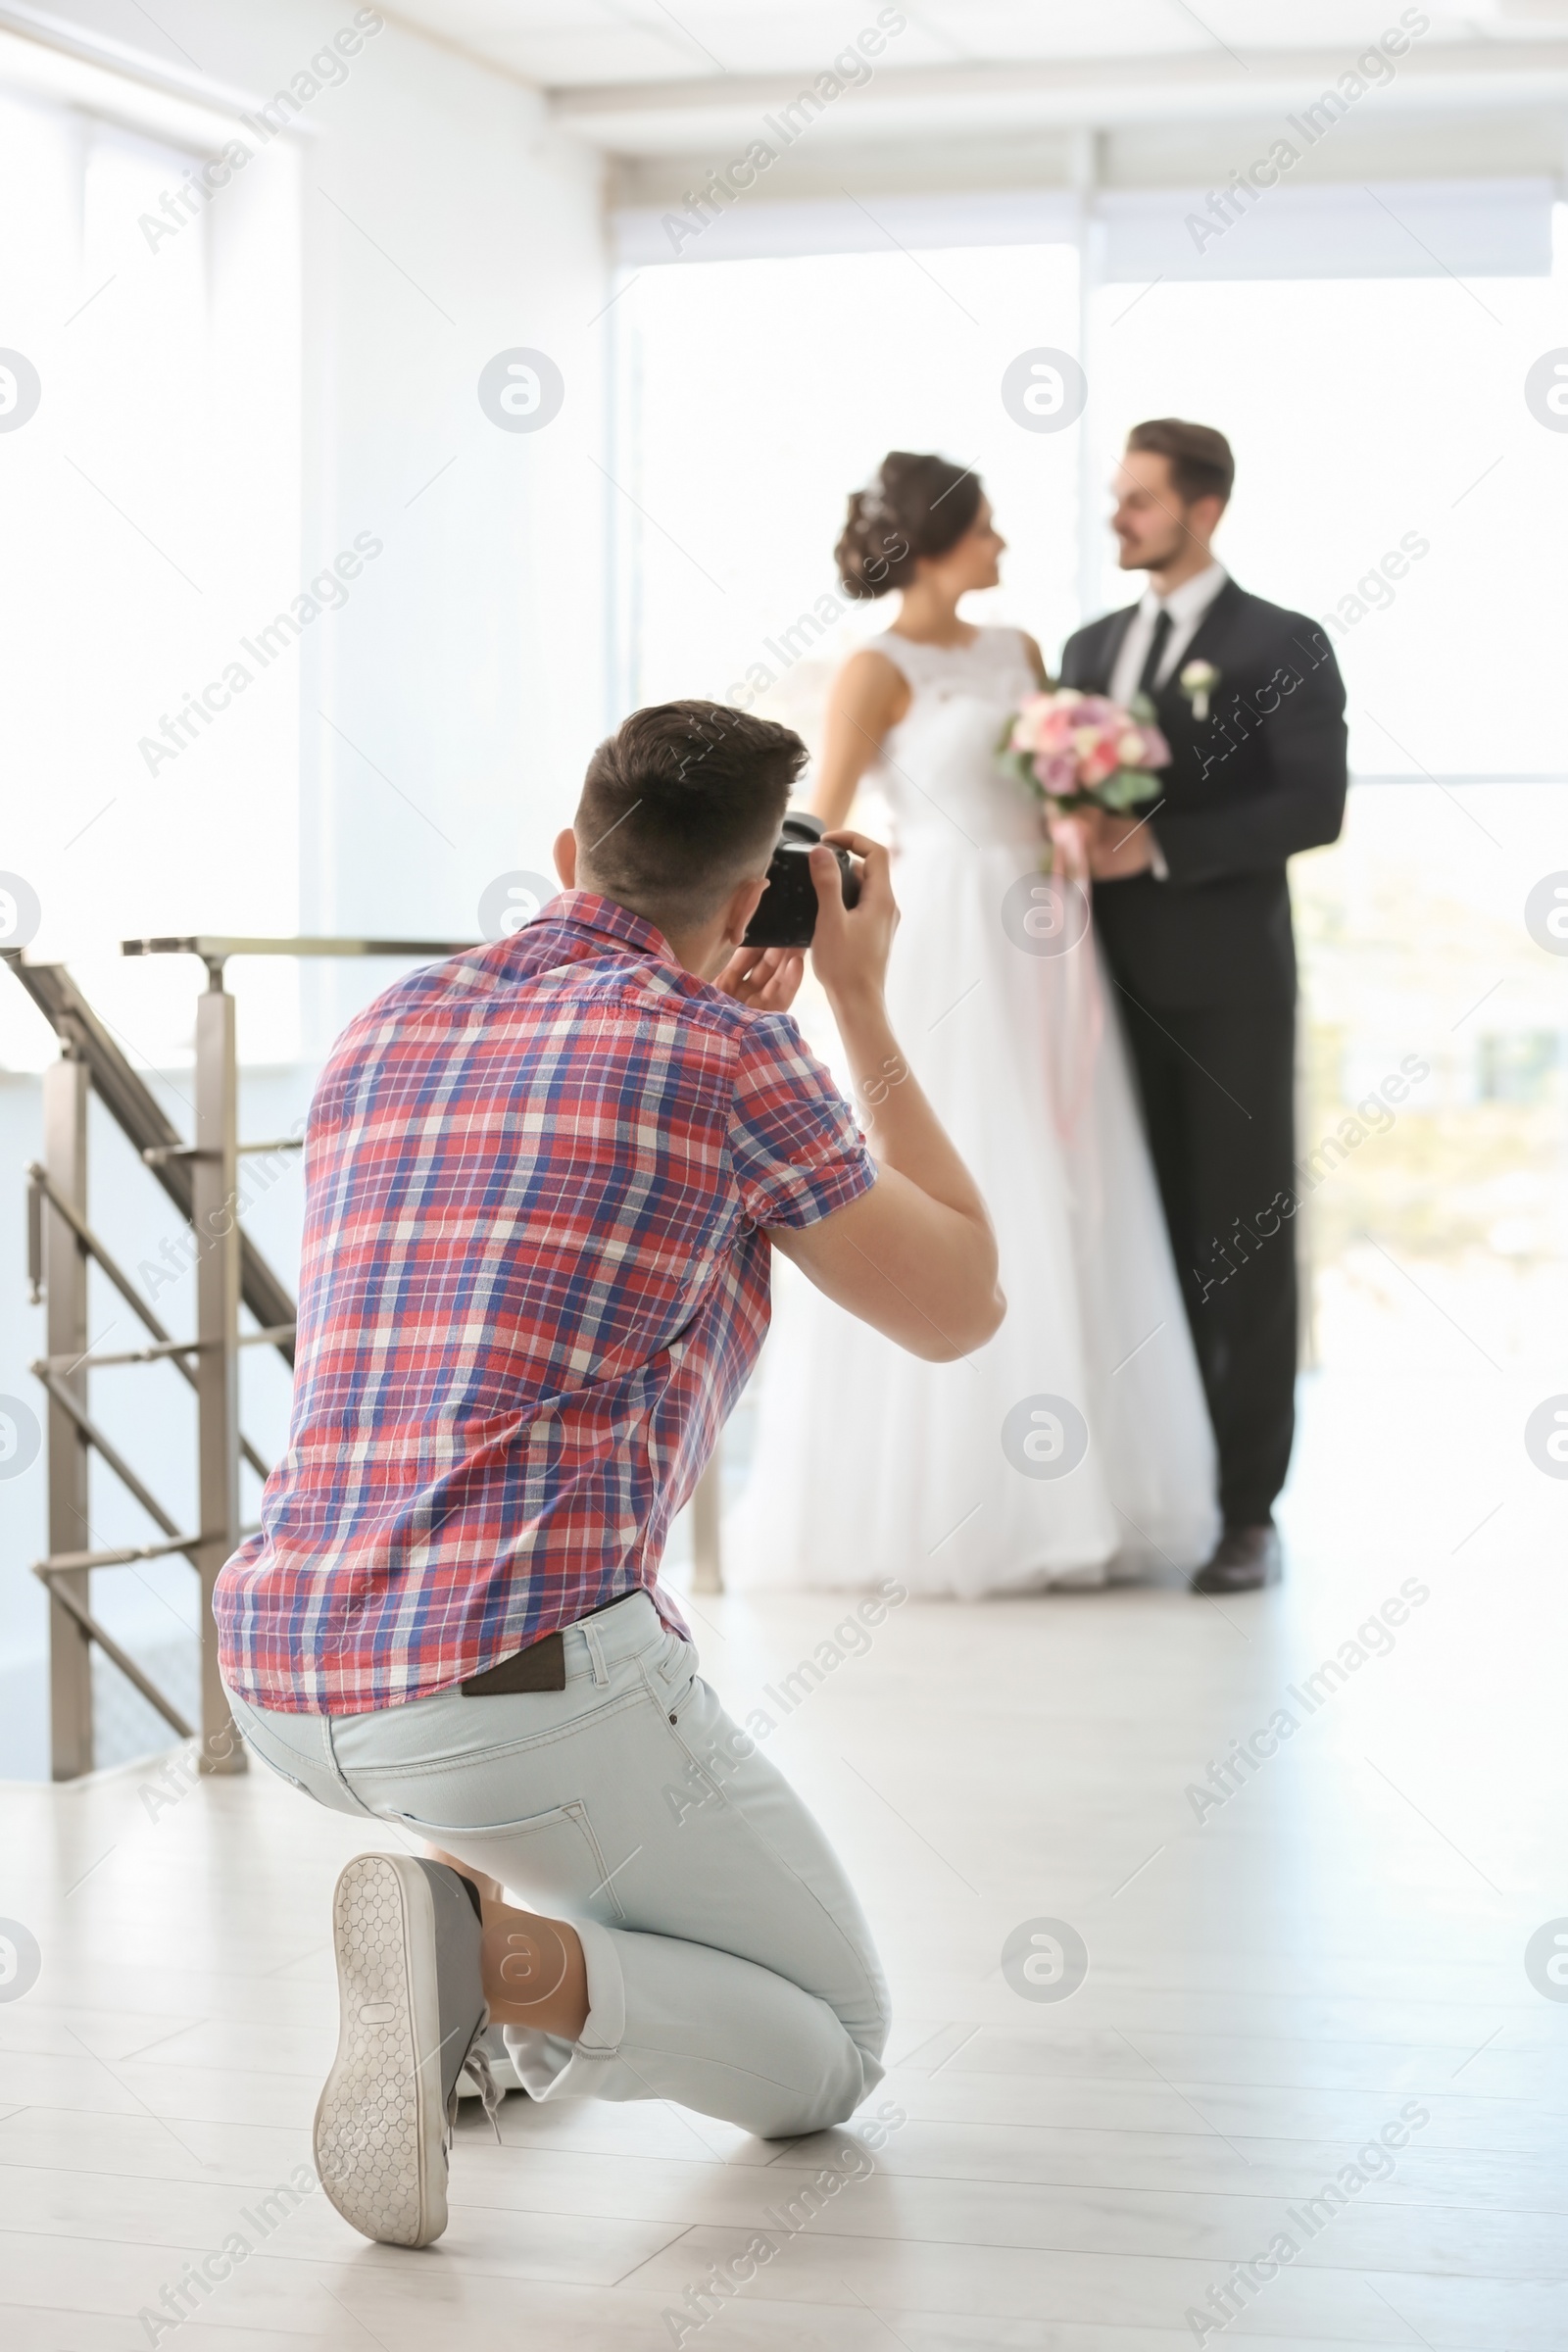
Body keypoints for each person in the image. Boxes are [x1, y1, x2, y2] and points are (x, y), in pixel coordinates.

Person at [214, 700, 1004, 2249]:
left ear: (572, 855)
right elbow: (958, 1304)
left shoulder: (394, 1023)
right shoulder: (731, 1052)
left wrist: (725, 979)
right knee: (829, 2044)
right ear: (754, 901)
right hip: (510, 1694)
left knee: (547, 1762)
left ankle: (477, 1946)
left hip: (282, 1671)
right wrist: (851, 1000)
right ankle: (500, 1967)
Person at [731, 451, 1218, 1597]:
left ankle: (1087, 1494)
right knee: (953, 1167)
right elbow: (828, 817)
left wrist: (1090, 798)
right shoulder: (875, 666)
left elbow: (1057, 793)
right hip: (943, 934)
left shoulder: (1020, 654)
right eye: (988, 529)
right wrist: (777, 931)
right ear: (943, 540)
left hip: (1044, 935)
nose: (1002, 548)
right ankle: (952, 1504)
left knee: (1066, 1172)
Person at [1059, 419, 1348, 1594]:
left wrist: (1154, 851)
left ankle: (1246, 1513)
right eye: (1117, 498)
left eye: (1138, 499)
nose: (1118, 517)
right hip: (1090, 993)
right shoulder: (1085, 649)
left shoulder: (1281, 641)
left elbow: (1311, 808)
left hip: (1227, 996)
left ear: (1204, 508)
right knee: (1130, 1236)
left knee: (1242, 1244)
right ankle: (1143, 1489)